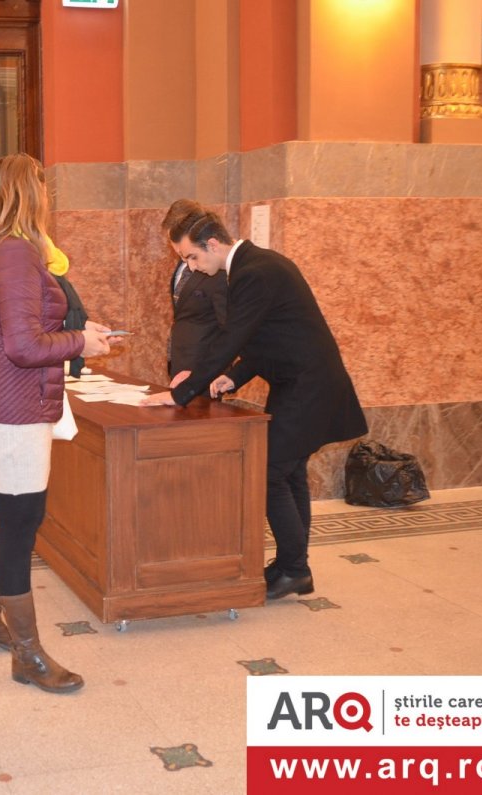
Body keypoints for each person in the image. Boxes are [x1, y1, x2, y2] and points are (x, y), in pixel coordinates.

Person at [141, 205, 367, 600]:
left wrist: (181, 393)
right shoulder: (254, 265)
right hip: (298, 385)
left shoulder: (255, 272)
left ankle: (294, 569)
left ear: (213, 244)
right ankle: (292, 565)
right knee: (288, 472)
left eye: (191, 257)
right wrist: (235, 375)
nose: (191, 267)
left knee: (267, 472)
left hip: (308, 387)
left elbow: (231, 338)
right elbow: (266, 335)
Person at [0, 153, 116, 693]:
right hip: (14, 411)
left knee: (15, 520)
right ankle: (26, 654)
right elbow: (24, 346)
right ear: (34, 194)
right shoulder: (16, 253)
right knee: (21, 526)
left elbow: (21, 330)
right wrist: (80, 343)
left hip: (7, 407)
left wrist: (79, 333)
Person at [161, 199, 227, 383]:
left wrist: (215, 371)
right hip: (178, 363)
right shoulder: (183, 263)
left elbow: (228, 328)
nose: (174, 242)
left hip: (204, 371)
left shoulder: (216, 268)